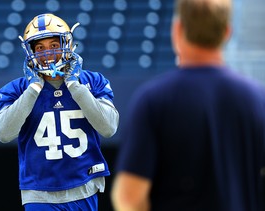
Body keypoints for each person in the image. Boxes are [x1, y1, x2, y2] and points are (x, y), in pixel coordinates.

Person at [111, 0, 265, 210]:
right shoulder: (258, 99)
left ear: (177, 29)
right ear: (227, 32)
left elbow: (129, 196)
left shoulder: (154, 99)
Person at [0, 13, 119, 210]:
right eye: (40, 47)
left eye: (53, 45)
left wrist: (74, 85)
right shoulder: (17, 89)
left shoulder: (92, 81)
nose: (47, 53)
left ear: (66, 44)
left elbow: (109, 127)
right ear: (30, 51)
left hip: (84, 185)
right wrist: (33, 89)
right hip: (39, 192)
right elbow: (3, 133)